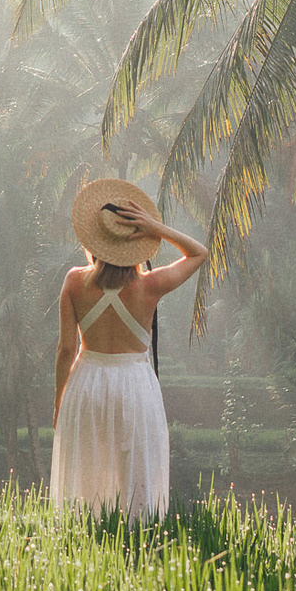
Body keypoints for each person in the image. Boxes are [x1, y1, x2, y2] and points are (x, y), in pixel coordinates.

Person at [49, 179, 208, 519]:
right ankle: (137, 539)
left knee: (88, 478)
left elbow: (66, 349)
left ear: (93, 239)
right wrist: (156, 228)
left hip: (86, 383)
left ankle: (88, 540)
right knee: (137, 477)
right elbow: (199, 253)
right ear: (135, 242)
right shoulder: (150, 285)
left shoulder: (74, 281)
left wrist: (59, 403)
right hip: (134, 385)